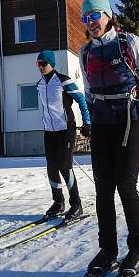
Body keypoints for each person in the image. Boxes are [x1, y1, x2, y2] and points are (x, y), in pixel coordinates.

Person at [78, 0, 139, 277]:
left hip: (132, 119)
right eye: (85, 18)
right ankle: (108, 250)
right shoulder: (86, 52)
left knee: (125, 183)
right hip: (102, 121)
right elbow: (87, 91)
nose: (90, 22)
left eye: (95, 15)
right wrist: (88, 121)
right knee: (102, 187)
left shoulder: (130, 44)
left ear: (108, 15)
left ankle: (138, 248)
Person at [36, 49, 91, 221]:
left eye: (43, 63)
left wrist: (87, 122)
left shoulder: (63, 81)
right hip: (49, 131)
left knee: (65, 166)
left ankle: (76, 204)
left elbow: (81, 99)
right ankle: (58, 203)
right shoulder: (40, 84)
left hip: (65, 129)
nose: (40, 67)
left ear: (51, 64)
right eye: (38, 64)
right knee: (51, 167)